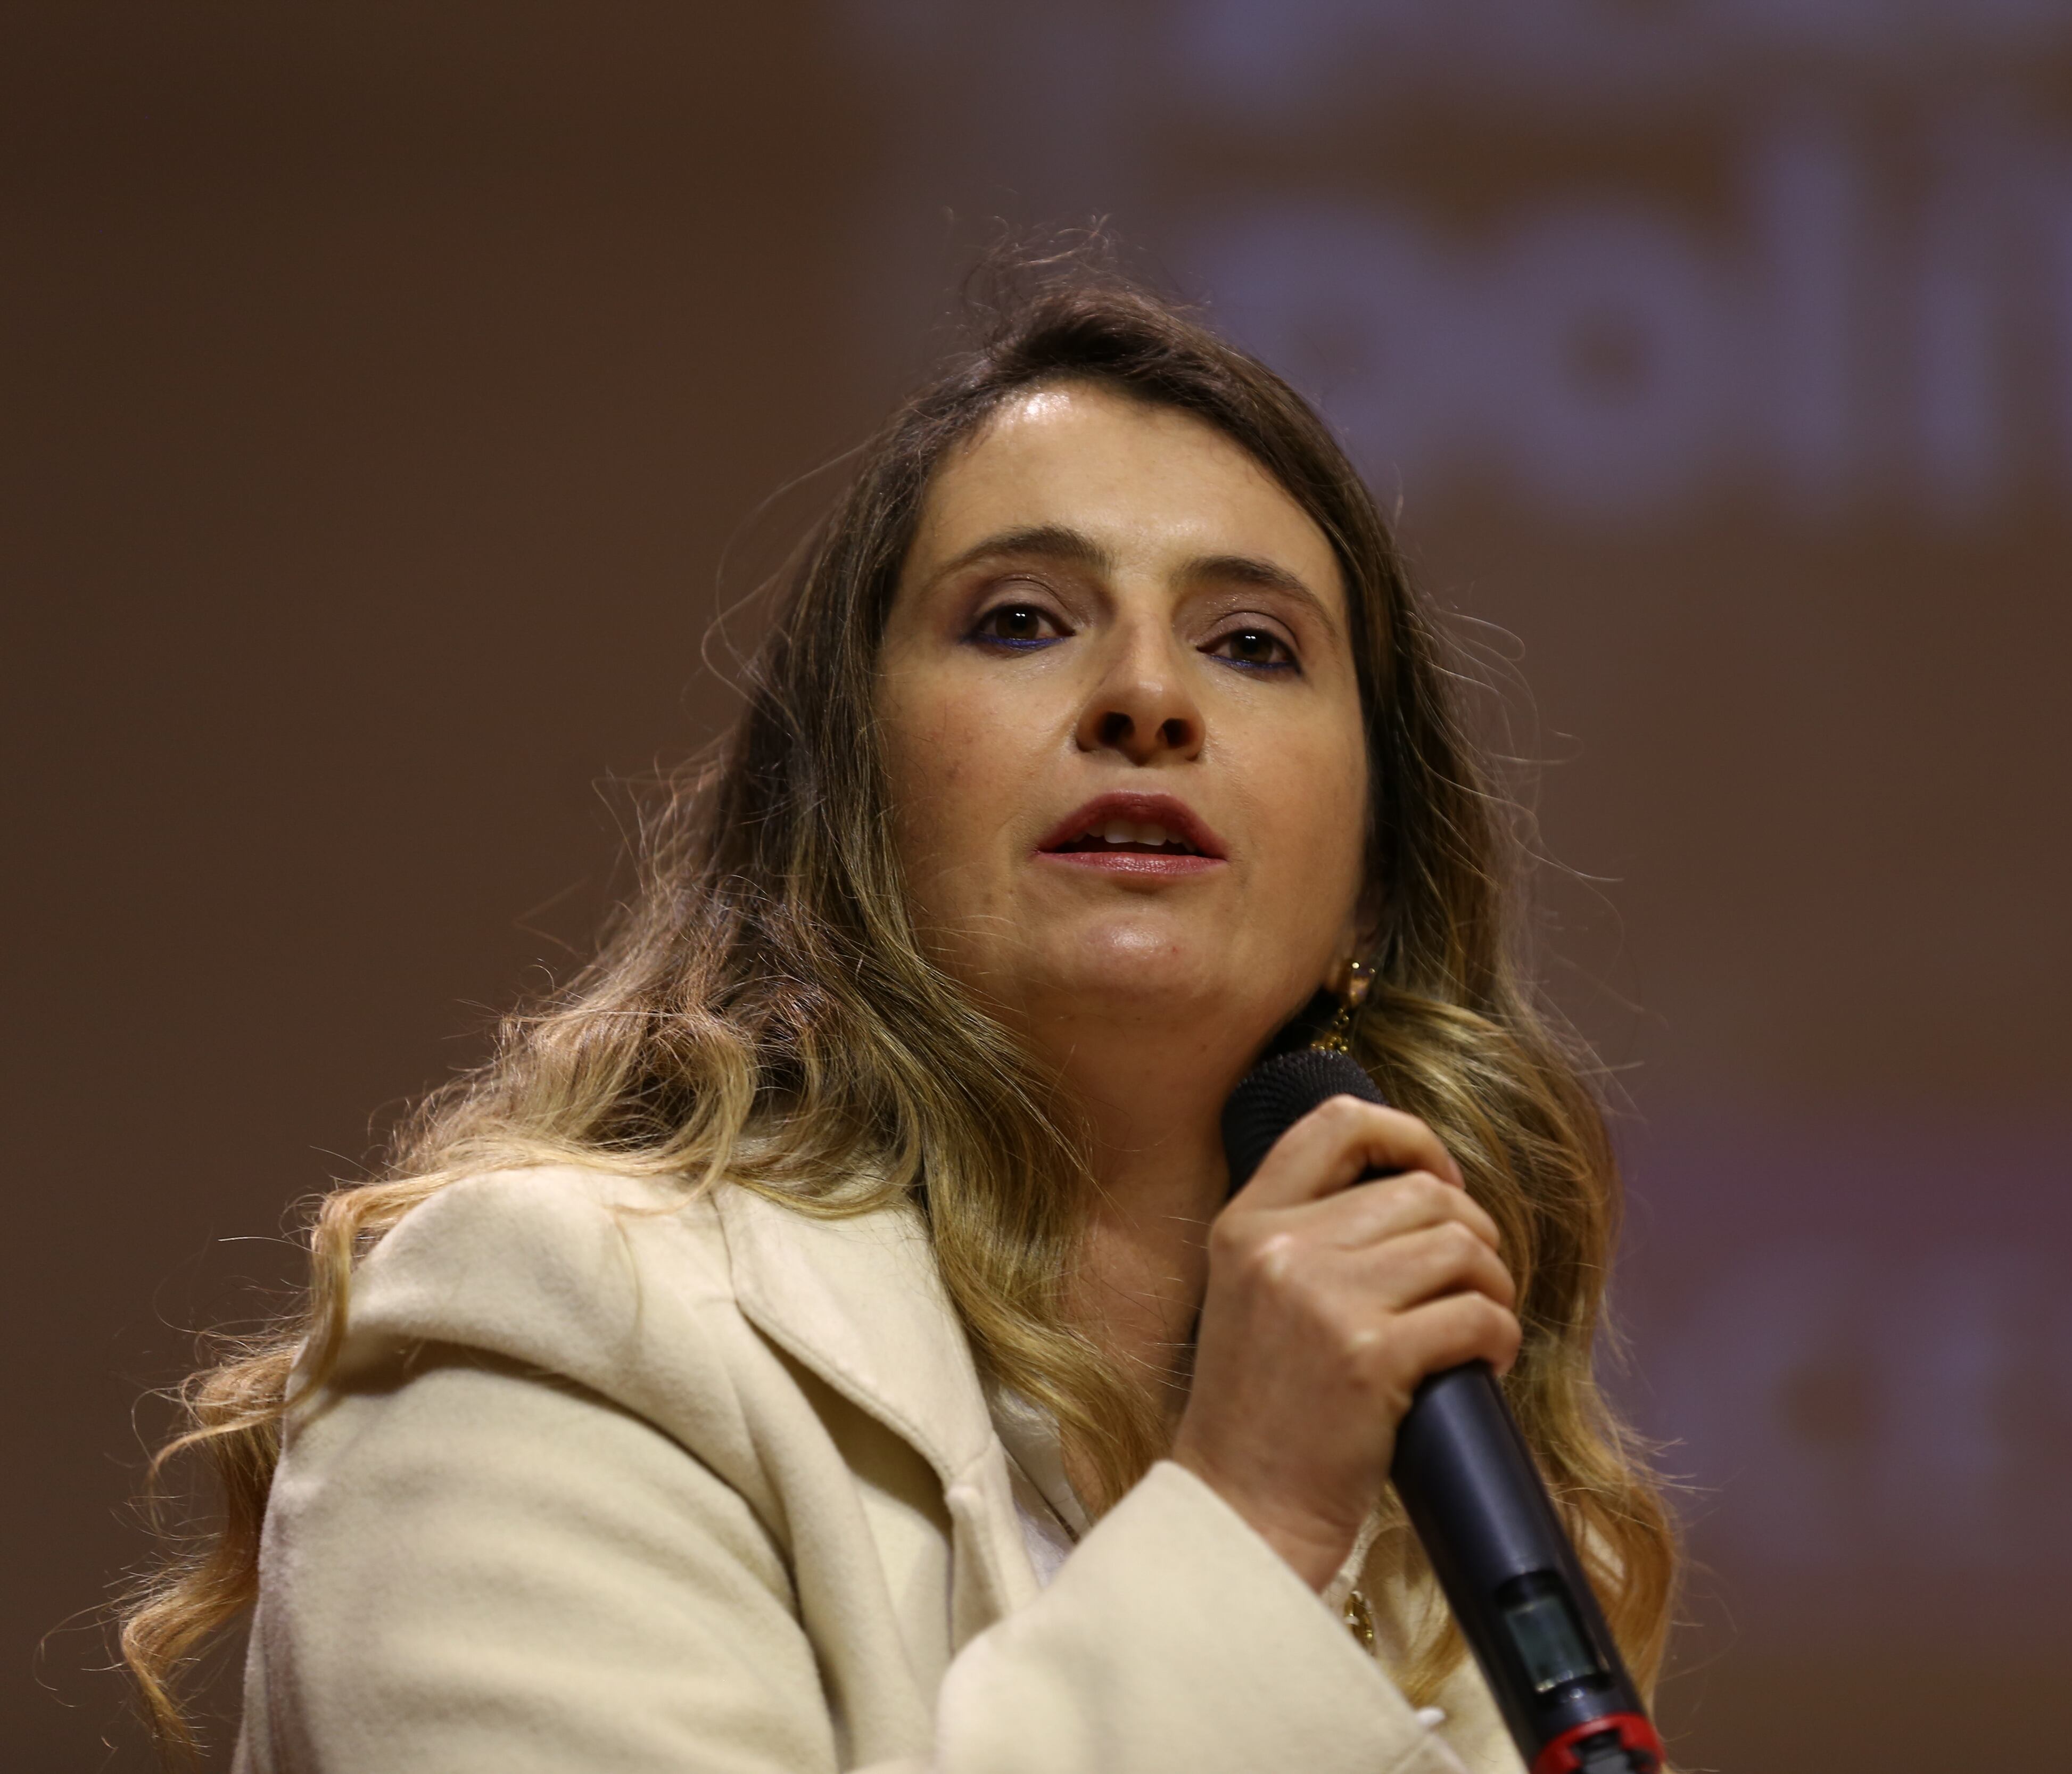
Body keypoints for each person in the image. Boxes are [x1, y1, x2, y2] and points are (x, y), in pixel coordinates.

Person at [119, 255, 1677, 1772]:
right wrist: (1250, 1513)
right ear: (849, 802)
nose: (1149, 696)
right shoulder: (559, 1322)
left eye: (1252, 645)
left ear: (1372, 885)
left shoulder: (1445, 1519)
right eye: (1022, 621)